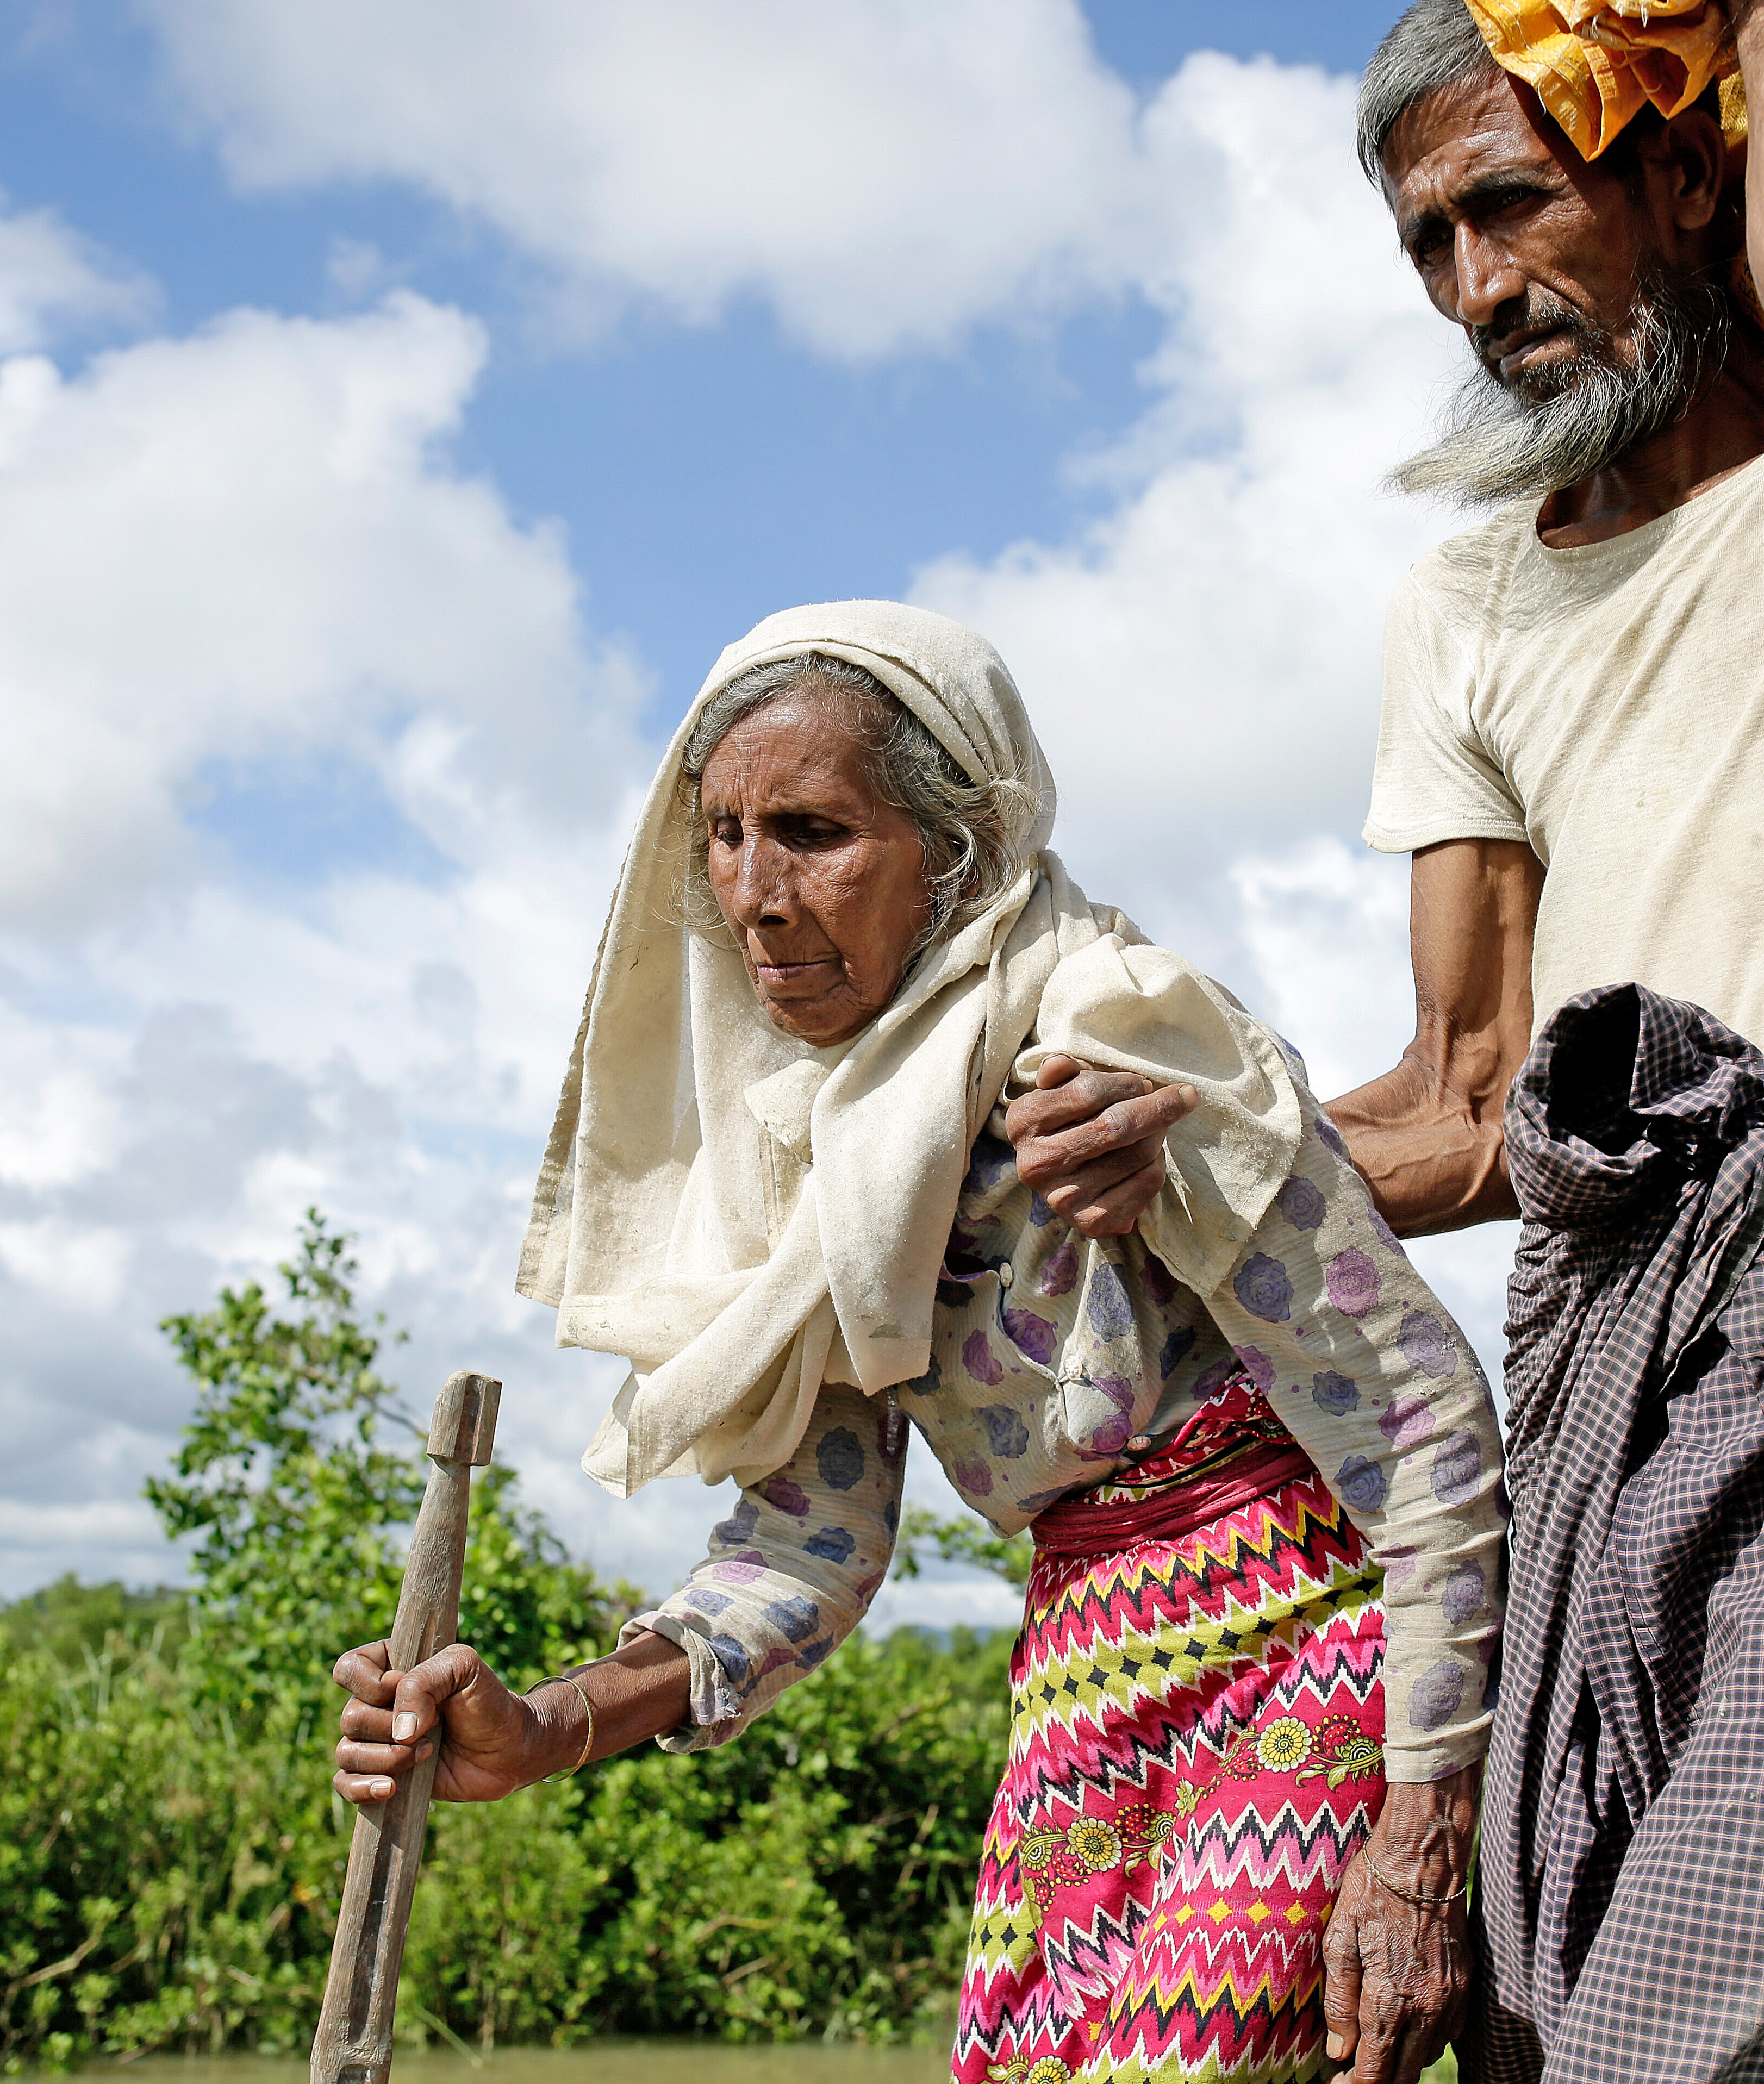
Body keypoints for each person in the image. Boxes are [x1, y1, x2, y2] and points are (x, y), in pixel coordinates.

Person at [1010, 3, 1764, 2075]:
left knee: (1689, 2014)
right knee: (1542, 2010)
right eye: (1424, 243)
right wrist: (1180, 1153)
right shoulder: (1470, 604)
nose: (1471, 288)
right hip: (1595, 1309)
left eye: (1510, 202)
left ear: (1682, 175)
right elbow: (1465, 1098)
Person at [330, 602, 1507, 2084]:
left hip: (1313, 1633)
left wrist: (1419, 1821)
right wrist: (544, 1725)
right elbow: (805, 1550)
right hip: (1086, 1669)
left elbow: (1417, 1421)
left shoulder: (1120, 1039)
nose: (753, 894)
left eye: (813, 831)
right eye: (723, 834)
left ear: (954, 850)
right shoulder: (808, 1151)